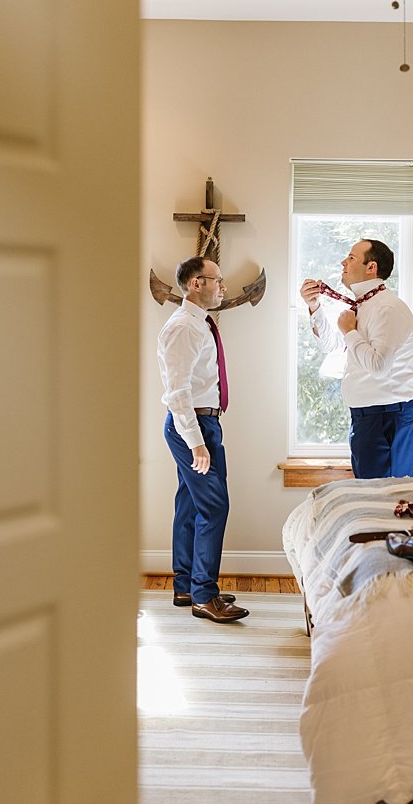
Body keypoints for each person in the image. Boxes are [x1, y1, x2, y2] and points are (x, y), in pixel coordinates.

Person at [157, 256, 249, 623]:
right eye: (218, 281)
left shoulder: (199, 325)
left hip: (202, 423)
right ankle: (204, 596)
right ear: (197, 283)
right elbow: (177, 391)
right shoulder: (184, 328)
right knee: (215, 507)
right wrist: (196, 442)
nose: (223, 287)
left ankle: (186, 584)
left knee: (192, 505)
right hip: (191, 425)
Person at [300, 239, 413, 479]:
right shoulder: (364, 306)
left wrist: (350, 331)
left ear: (371, 267)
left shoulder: (387, 309)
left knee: (382, 500)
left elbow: (378, 366)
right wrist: (315, 308)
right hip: (368, 418)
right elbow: (331, 345)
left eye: (351, 257)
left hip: (387, 419)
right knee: (371, 498)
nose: (343, 262)